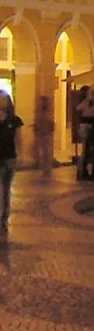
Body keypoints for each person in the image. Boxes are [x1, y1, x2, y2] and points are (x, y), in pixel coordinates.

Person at [0, 92, 23, 235]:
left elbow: (18, 139)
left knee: (6, 188)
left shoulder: (14, 120)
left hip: (9, 157)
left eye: (3, 100)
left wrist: (19, 155)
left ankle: (4, 215)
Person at [76, 86, 94, 181]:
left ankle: (91, 172)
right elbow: (78, 108)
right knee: (85, 150)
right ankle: (82, 172)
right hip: (86, 126)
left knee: (93, 150)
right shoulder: (86, 103)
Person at [32, 95, 54, 177]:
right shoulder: (44, 114)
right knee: (45, 153)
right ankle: (46, 170)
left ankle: (47, 170)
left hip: (45, 135)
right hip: (44, 135)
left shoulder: (45, 114)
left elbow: (50, 125)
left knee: (46, 153)